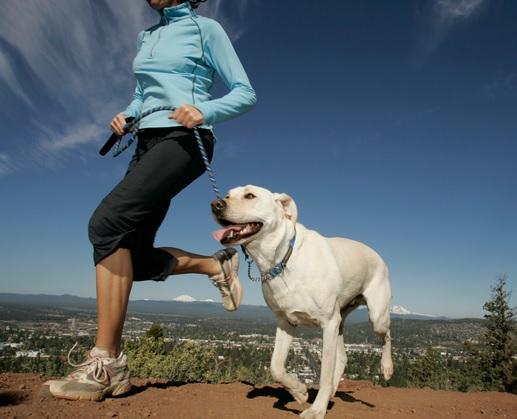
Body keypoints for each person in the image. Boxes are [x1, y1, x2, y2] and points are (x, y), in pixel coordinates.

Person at [47, 0, 256, 401]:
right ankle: (217, 265)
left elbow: (245, 93)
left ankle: (107, 361)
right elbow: (144, 92)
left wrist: (204, 110)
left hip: (185, 141)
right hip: (146, 140)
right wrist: (127, 114)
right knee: (133, 256)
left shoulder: (205, 29)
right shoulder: (147, 36)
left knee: (106, 224)